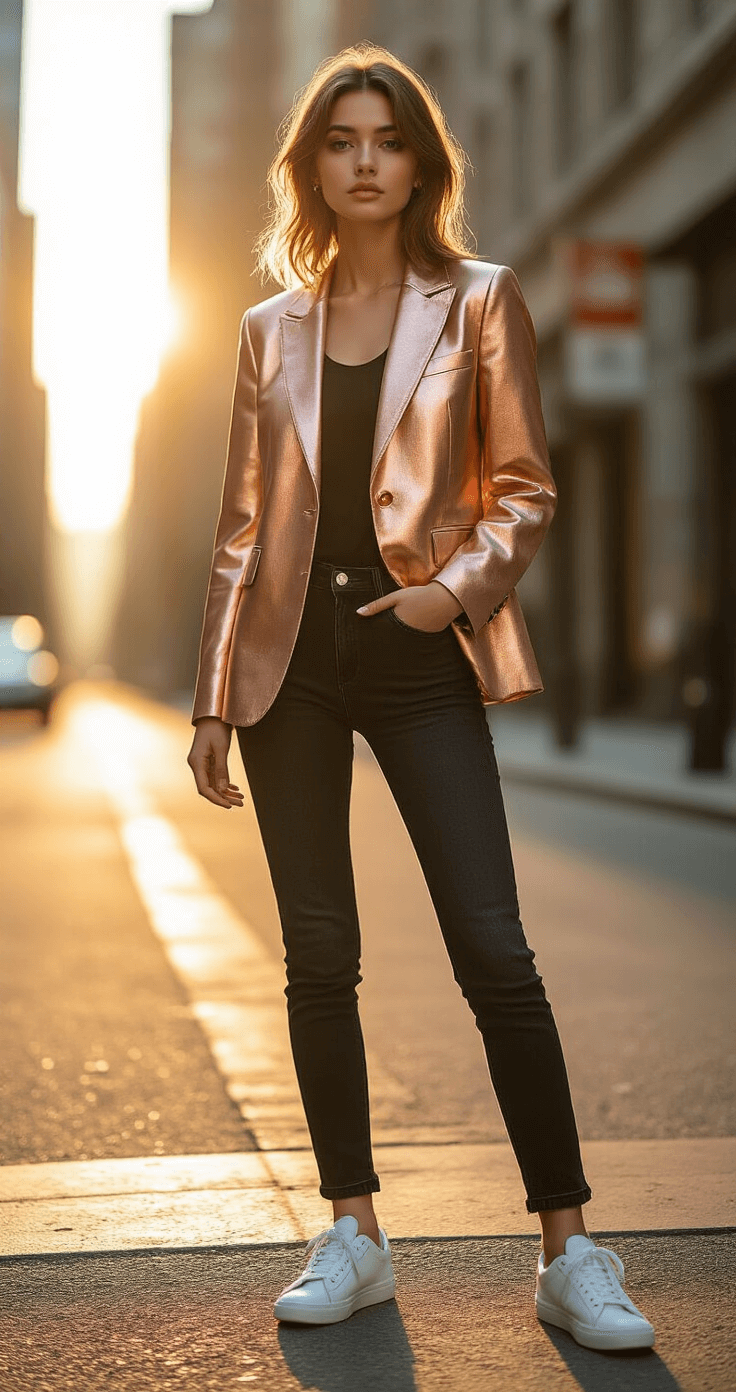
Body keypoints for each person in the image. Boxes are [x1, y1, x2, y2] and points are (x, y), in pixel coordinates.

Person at [187, 44, 655, 1352]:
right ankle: (355, 1232)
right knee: (318, 956)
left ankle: (570, 1249)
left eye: (387, 139)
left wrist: (454, 593)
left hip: (419, 651)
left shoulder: (480, 301)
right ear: (312, 167)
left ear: (420, 165)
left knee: (494, 948)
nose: (365, 161)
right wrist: (213, 694)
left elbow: (525, 488)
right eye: (341, 140)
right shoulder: (266, 331)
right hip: (290, 661)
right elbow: (239, 528)